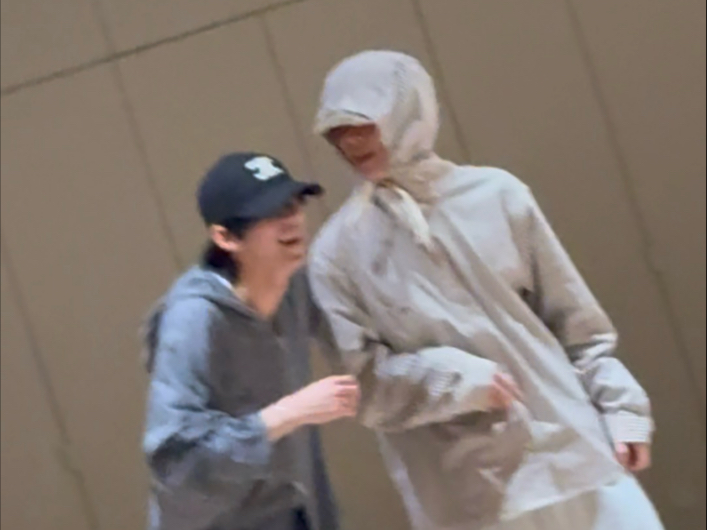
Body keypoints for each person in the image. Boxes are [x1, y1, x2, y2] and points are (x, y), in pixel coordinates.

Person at [308, 50, 665, 530]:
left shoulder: (497, 195)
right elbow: (365, 384)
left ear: (408, 110)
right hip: (471, 498)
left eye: (362, 123)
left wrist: (622, 411)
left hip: (576, 460)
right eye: (336, 131)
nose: (350, 141)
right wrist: (456, 380)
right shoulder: (338, 252)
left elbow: (577, 326)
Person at [141, 152, 360, 530]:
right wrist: (286, 414)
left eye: (293, 204)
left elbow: (365, 354)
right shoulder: (194, 319)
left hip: (290, 513)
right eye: (269, 212)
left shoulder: (295, 287)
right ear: (225, 237)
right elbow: (178, 465)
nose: (291, 219)